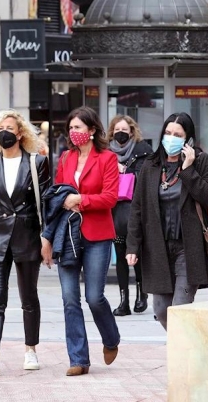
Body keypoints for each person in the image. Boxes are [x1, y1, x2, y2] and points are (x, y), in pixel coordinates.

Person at [0, 109, 51, 376]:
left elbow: (46, 206)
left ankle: (31, 350)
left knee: (29, 298)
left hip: (27, 236)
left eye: (10, 127)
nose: (5, 131)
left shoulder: (36, 162)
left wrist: (46, 240)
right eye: (0, 128)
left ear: (20, 133)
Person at [125, 112, 208, 330]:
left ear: (187, 139)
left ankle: (182, 360)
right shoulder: (151, 165)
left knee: (180, 309)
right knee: (161, 310)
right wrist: (132, 246)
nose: (171, 138)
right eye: (168, 133)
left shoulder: (200, 161)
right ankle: (188, 348)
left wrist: (188, 170)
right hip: (157, 248)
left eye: (177, 134)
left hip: (188, 247)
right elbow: (137, 208)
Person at [49, 106, 121, 376]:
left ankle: (111, 337)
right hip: (66, 236)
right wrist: (47, 239)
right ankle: (78, 359)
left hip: (97, 235)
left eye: (78, 127)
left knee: (94, 297)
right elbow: (56, 195)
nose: (73, 132)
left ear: (91, 131)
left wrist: (81, 200)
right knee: (70, 298)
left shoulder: (107, 159)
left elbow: (111, 197)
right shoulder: (66, 158)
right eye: (70, 128)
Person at [108, 115, 153, 316]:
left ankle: (141, 294)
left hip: (137, 211)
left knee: (138, 255)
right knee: (120, 255)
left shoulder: (144, 151)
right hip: (115, 211)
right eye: (118, 129)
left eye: (125, 130)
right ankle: (124, 300)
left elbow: (149, 180)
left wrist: (126, 172)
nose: (121, 133)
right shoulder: (106, 153)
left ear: (132, 131)